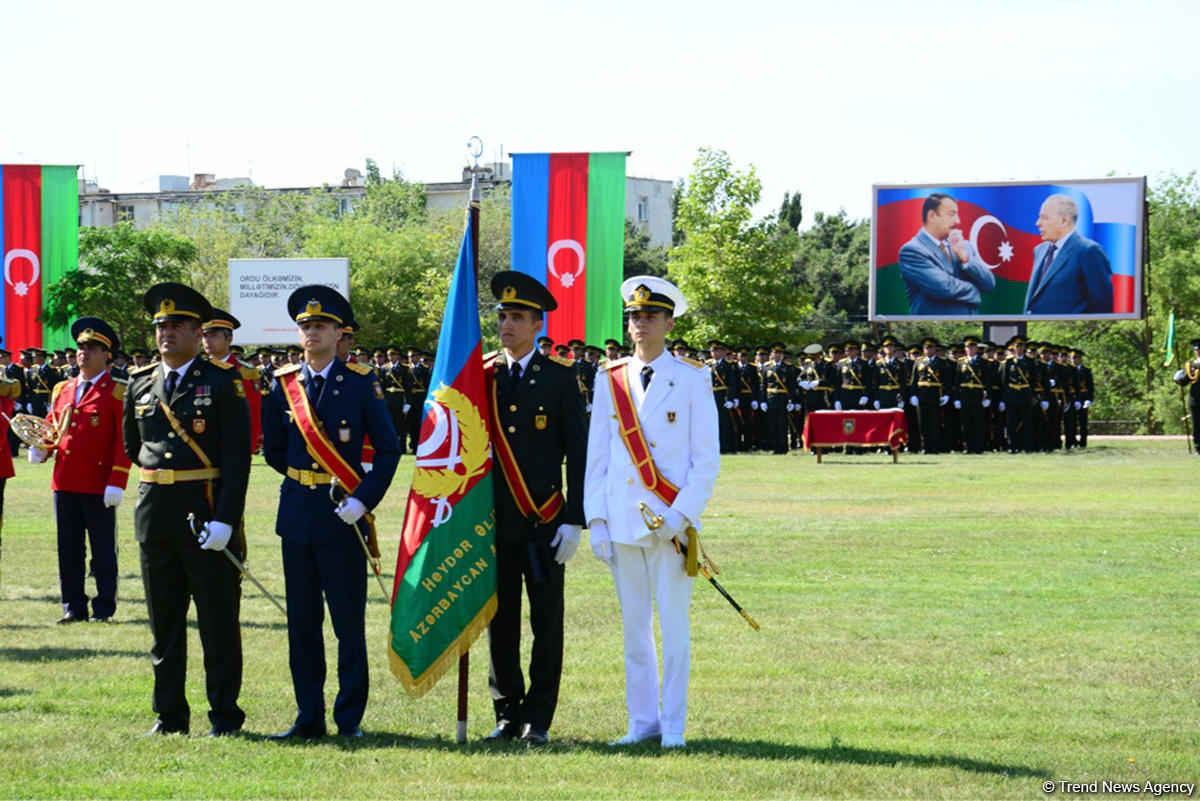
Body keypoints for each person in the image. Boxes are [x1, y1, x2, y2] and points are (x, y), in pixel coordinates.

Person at [584, 275, 720, 750]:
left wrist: (680, 518)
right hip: (622, 519)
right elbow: (596, 457)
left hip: (672, 526)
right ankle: (642, 723)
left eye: (650, 316)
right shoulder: (610, 378)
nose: (640, 324)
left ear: (668, 322)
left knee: (675, 629)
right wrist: (596, 520)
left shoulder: (693, 377)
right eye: (634, 317)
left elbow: (706, 461)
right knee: (634, 630)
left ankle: (674, 726)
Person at [262, 285, 400, 739]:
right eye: (305, 325)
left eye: (320, 325)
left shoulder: (361, 382)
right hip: (298, 515)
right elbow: (276, 452)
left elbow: (388, 449)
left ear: (340, 332)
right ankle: (308, 717)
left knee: (347, 624)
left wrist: (362, 500)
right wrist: (309, 481)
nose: (312, 332)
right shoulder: (283, 385)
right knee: (302, 624)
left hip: (343, 517)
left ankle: (348, 719)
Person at [124, 283, 251, 736]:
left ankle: (224, 716)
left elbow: (237, 462)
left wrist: (226, 520)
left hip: (206, 516)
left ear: (199, 332)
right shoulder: (140, 383)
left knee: (217, 625)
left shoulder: (222, 382)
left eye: (176, 325)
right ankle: (170, 716)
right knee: (165, 627)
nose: (166, 333)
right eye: (160, 325)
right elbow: (134, 448)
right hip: (155, 516)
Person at [481, 271, 587, 745]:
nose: (506, 324)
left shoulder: (560, 379)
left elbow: (579, 455)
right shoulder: (480, 376)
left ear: (538, 324)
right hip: (493, 522)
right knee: (499, 623)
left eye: (516, 317)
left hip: (543, 520)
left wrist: (574, 519)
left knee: (546, 624)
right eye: (502, 315)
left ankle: (538, 717)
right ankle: (506, 713)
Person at [30, 318, 131, 624]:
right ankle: (73, 606)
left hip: (99, 483)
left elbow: (123, 441)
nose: (83, 353)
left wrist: (117, 480)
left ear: (107, 356)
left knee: (102, 549)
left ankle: (103, 607)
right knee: (69, 549)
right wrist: (41, 448)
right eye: (81, 348)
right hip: (65, 480)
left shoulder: (117, 392)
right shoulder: (63, 388)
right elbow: (53, 426)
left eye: (92, 348)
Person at [898, 193, 996, 315]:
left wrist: (964, 256)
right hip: (933, 328)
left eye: (957, 214)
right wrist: (975, 291)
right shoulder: (912, 250)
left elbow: (989, 284)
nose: (958, 220)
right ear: (932, 216)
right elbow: (944, 288)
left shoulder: (964, 246)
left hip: (971, 324)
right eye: (951, 214)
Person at [1024, 194, 1114, 314]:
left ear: (1064, 221)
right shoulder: (1039, 251)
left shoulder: (1088, 251)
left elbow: (1102, 307)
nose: (1038, 223)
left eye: (1044, 218)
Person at [203, 310, 263, 455]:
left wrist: (245, 453)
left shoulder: (245, 372)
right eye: (205, 336)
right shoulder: (197, 370)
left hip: (232, 449)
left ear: (229, 339)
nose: (207, 341)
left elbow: (252, 417)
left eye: (214, 336)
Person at [1173, 339, 1200, 453]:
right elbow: (1185, 382)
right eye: (1197, 350)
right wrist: (1177, 379)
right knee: (1197, 425)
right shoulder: (1191, 365)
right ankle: (1199, 448)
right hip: (1196, 400)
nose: (1198, 352)